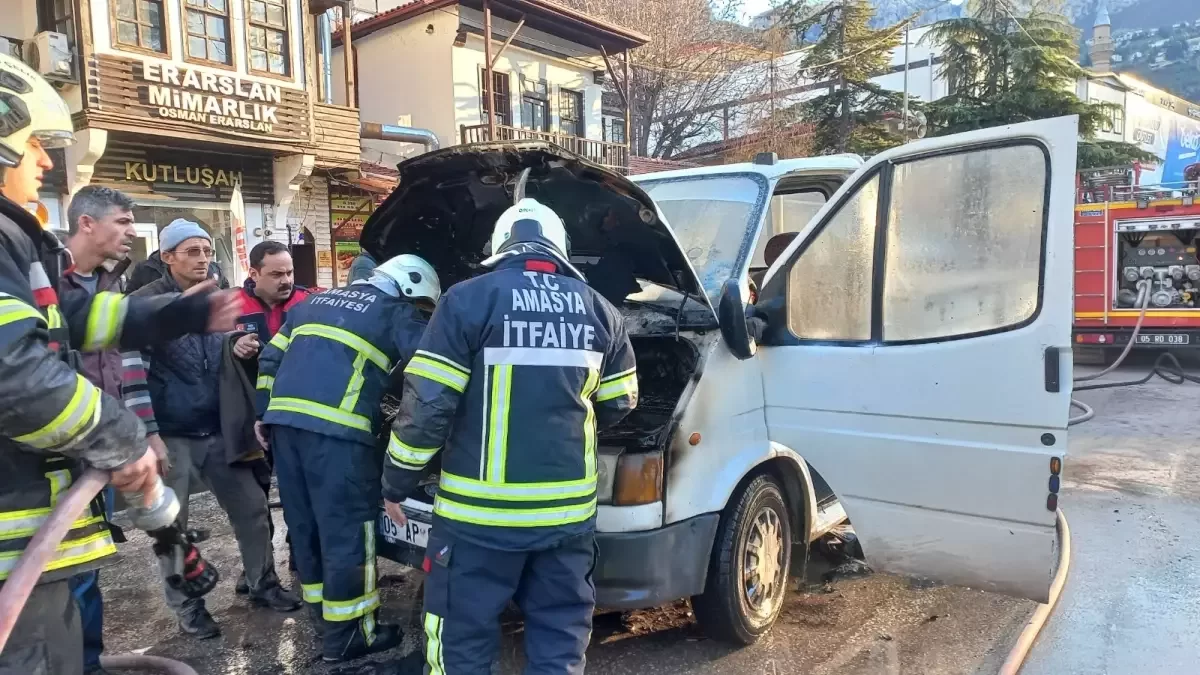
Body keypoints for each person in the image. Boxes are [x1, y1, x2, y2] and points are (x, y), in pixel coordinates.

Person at [0, 53, 239, 675]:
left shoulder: (21, 247)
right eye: (33, 145)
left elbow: (75, 320)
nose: (45, 162)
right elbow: (13, 374)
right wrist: (123, 438)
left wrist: (181, 314)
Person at [382, 198, 639, 674]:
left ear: (500, 244)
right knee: (560, 643)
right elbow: (620, 402)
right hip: (566, 519)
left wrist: (397, 482)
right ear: (559, 246)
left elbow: (427, 408)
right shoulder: (601, 310)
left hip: (477, 522)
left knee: (461, 641)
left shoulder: (465, 300)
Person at [254, 254, 439, 662]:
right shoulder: (397, 312)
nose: (420, 311)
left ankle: (325, 621)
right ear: (410, 289)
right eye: (421, 305)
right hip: (339, 437)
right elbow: (433, 370)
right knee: (348, 533)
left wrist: (262, 412)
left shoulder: (311, 303)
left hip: (285, 430)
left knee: (307, 528)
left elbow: (269, 359)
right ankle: (352, 635)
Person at [133, 218, 301, 639]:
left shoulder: (218, 297)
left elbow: (217, 347)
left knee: (253, 509)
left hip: (219, 428)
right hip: (170, 433)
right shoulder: (144, 305)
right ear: (167, 256)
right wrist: (148, 435)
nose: (203, 259)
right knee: (173, 529)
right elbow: (130, 375)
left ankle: (263, 584)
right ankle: (189, 607)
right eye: (192, 252)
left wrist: (236, 344)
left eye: (207, 251)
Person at [60, 184, 174, 675]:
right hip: (60, 449)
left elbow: (123, 368)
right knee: (61, 570)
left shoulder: (109, 283)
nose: (131, 232)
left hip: (102, 446)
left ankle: (86, 661)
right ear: (87, 223)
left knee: (87, 564)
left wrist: (141, 432)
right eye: (122, 222)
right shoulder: (45, 280)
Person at [232, 240, 312, 587]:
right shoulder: (231, 305)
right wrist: (231, 343)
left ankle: (301, 555)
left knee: (299, 491)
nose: (286, 280)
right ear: (254, 273)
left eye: (290, 272)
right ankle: (257, 566)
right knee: (253, 497)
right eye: (277, 274)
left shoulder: (308, 301)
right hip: (247, 412)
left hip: (296, 413)